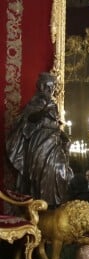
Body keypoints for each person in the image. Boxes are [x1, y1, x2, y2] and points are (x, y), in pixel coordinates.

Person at [6, 72, 73, 207]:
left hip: (54, 140)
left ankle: (54, 203)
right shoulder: (36, 101)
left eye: (53, 86)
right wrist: (44, 110)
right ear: (42, 86)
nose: (51, 89)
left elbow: (55, 122)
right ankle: (40, 203)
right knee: (40, 172)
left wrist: (61, 134)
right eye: (50, 86)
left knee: (59, 170)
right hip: (40, 140)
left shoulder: (53, 103)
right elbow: (30, 118)